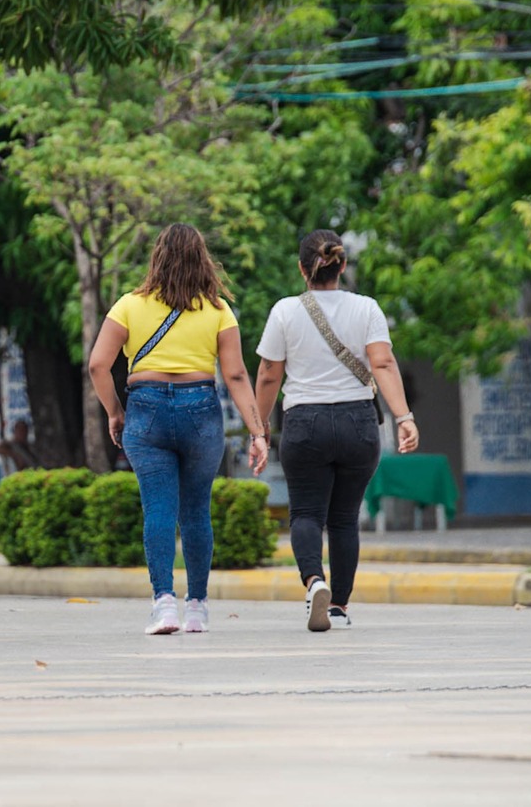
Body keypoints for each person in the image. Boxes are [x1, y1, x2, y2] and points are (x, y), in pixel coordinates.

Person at [89, 223, 269, 636]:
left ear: (157, 258)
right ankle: (197, 608)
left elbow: (98, 364)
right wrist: (257, 432)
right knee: (196, 511)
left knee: (158, 509)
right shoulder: (219, 310)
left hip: (145, 409)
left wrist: (115, 412)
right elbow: (236, 375)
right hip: (200, 409)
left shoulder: (128, 306)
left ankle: (164, 605)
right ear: (203, 260)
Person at [254, 229, 418, 633]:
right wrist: (404, 417)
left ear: (302, 269)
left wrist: (259, 426)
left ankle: (315, 581)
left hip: (304, 423)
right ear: (341, 265)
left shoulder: (285, 311)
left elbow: (269, 374)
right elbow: (383, 364)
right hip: (357, 422)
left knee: (306, 513)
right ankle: (340, 606)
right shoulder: (367, 308)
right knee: (344, 518)